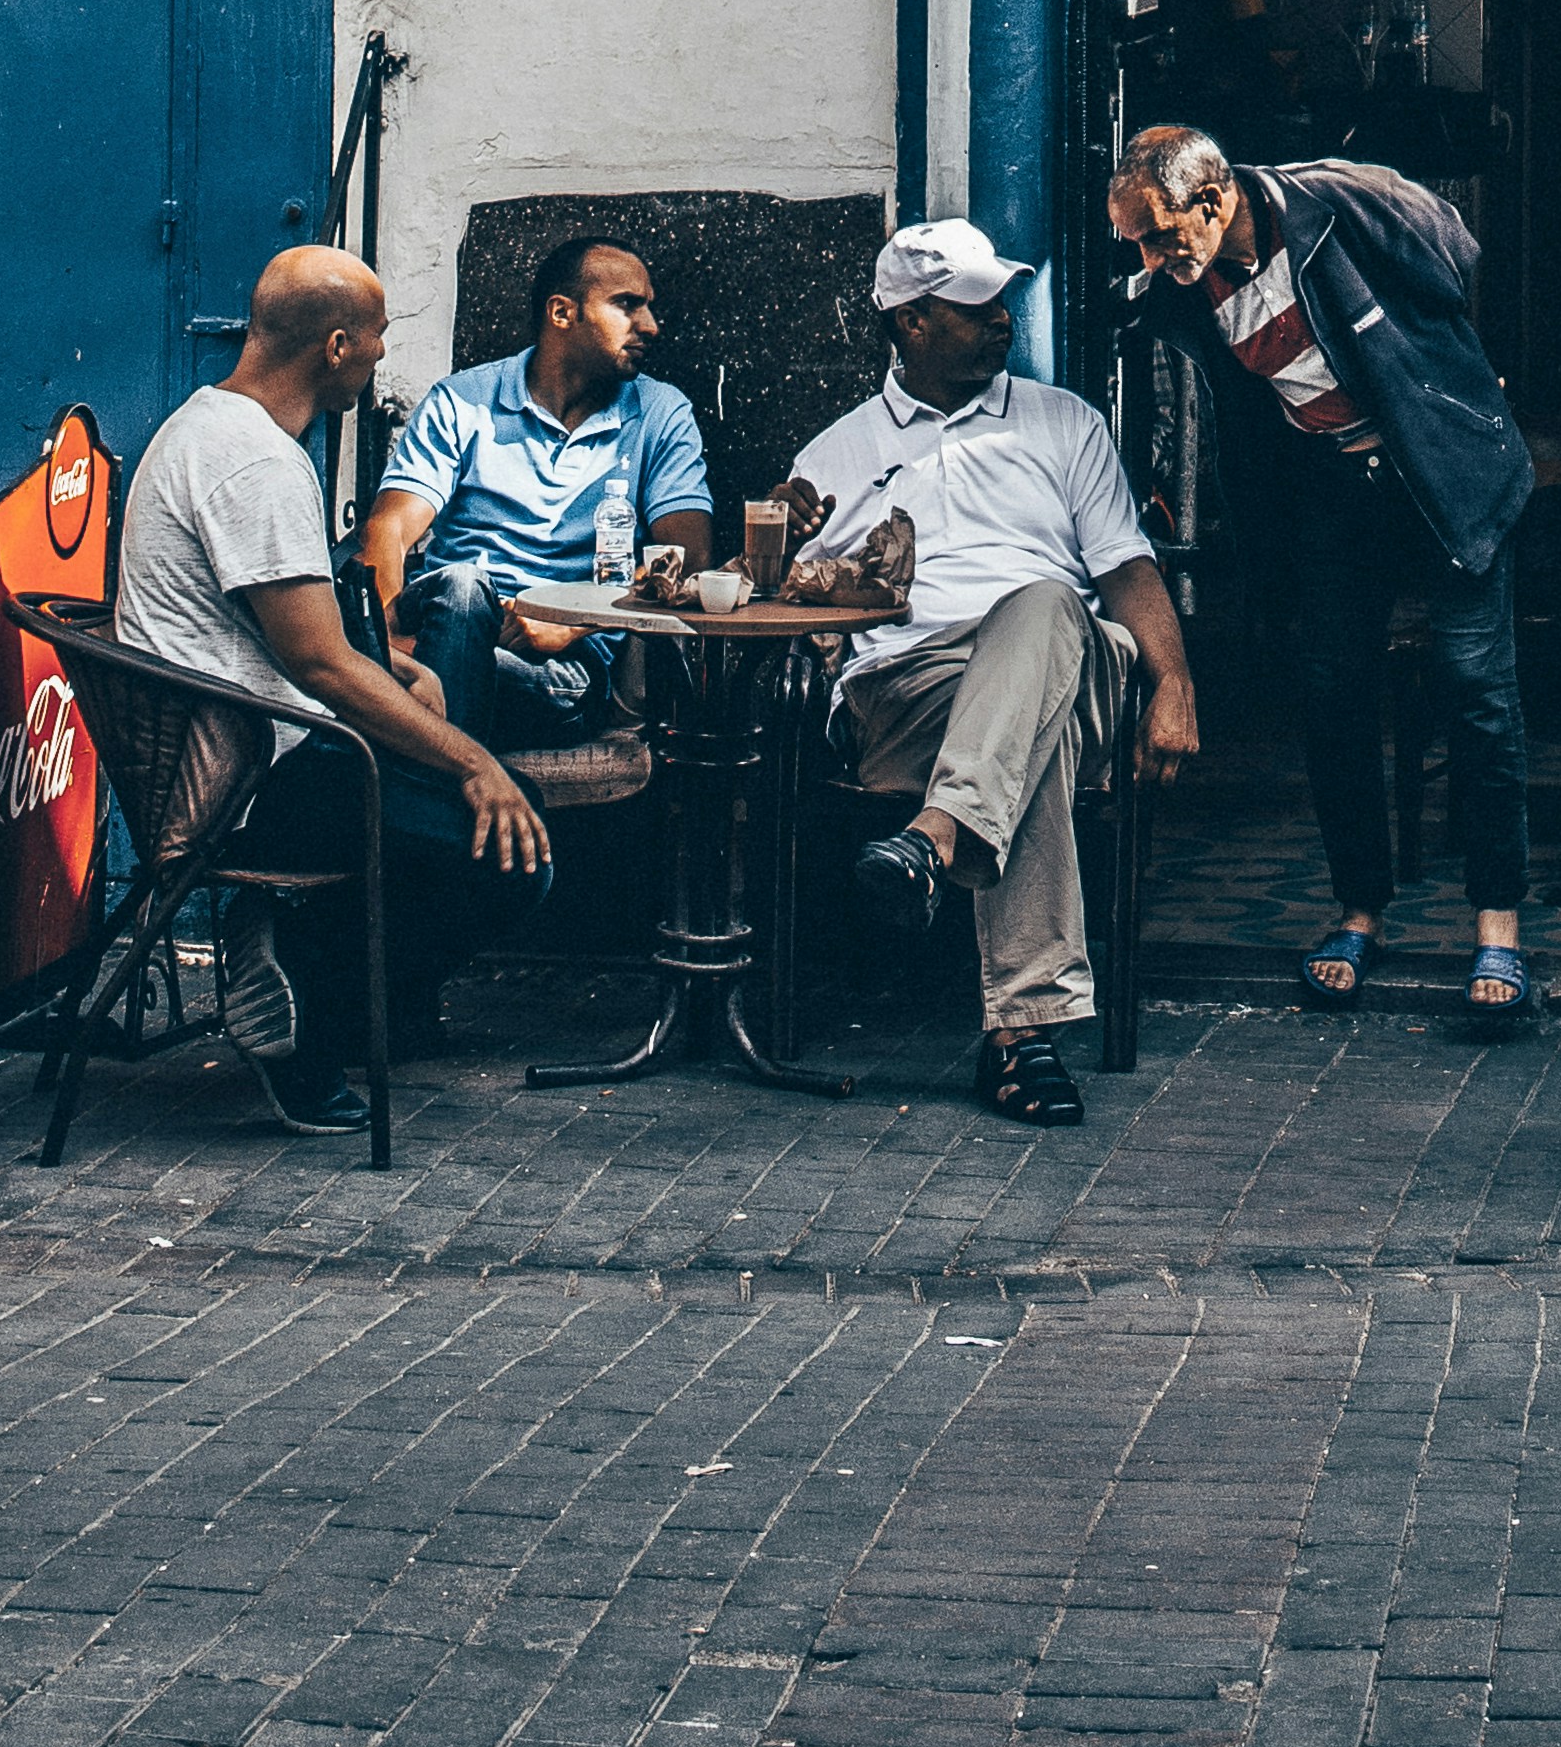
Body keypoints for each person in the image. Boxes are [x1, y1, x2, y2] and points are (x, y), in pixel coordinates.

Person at [1110, 116, 1541, 1028]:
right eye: (1134, 242)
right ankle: (1360, 912)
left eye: (1157, 233)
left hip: (1443, 475)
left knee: (1476, 691)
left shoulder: (1343, 201)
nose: (1148, 257)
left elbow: (1459, 254)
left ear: (1216, 199)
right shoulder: (1182, 287)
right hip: (1339, 494)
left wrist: (1449, 388)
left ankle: (1497, 924)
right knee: (1333, 690)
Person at [106, 244, 551, 1109]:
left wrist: (402, 674)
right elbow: (318, 662)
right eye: (379, 337)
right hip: (258, 789)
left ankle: (308, 979)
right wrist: (474, 762)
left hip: (252, 756)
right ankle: (300, 999)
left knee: (484, 786)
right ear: (337, 346)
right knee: (513, 858)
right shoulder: (259, 465)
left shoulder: (206, 424)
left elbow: (297, 643)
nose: (385, 354)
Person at [783, 218, 1196, 1123]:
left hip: (1071, 666)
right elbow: (780, 599)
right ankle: (1021, 1039)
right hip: (910, 692)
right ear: (909, 323)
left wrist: (1174, 682)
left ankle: (932, 841)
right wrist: (781, 537)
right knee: (1021, 741)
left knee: (1043, 606)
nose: (1001, 320)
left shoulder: (1064, 423)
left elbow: (1126, 566)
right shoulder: (834, 453)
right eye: (973, 308)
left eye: (1001, 301)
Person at [360, 221, 715, 761]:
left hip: (560, 671)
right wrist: (388, 651)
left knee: (433, 676)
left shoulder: (661, 412)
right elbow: (389, 527)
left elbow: (688, 554)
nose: (651, 326)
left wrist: (578, 619)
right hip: (448, 628)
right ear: (562, 313)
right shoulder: (465, 401)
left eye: (648, 307)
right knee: (460, 586)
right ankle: (461, 805)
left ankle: (425, 805)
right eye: (628, 305)